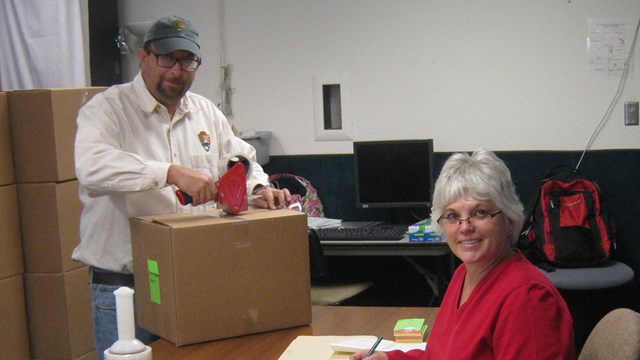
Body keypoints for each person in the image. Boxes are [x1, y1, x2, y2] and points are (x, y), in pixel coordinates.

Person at [71, 16, 291, 358]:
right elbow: (92, 167)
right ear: (143, 57)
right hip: (127, 285)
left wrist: (258, 189)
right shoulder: (107, 110)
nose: (176, 70)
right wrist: (169, 172)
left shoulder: (206, 113)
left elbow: (240, 160)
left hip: (195, 277)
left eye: (187, 61)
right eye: (166, 59)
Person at [352, 149, 576, 360]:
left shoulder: (527, 299)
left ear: (508, 218)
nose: (465, 227)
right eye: (452, 215)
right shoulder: (464, 274)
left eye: (480, 213)